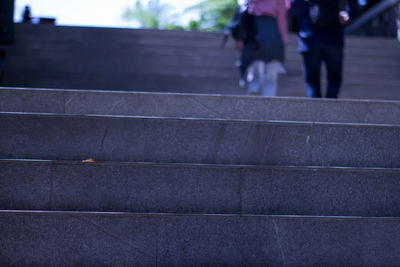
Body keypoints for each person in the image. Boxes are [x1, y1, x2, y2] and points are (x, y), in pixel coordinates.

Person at [290, 0, 355, 98]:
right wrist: (346, 16)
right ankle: (330, 108)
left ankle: (316, 110)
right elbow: (354, 8)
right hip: (334, 37)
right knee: (334, 79)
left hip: (310, 37)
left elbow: (293, 7)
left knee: (312, 81)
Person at [235, 0, 291, 96]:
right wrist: (283, 40)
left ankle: (253, 88)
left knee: (254, 69)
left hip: (254, 32)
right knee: (271, 75)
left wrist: (238, 39)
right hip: (272, 32)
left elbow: (242, 8)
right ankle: (268, 98)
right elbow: (281, 18)